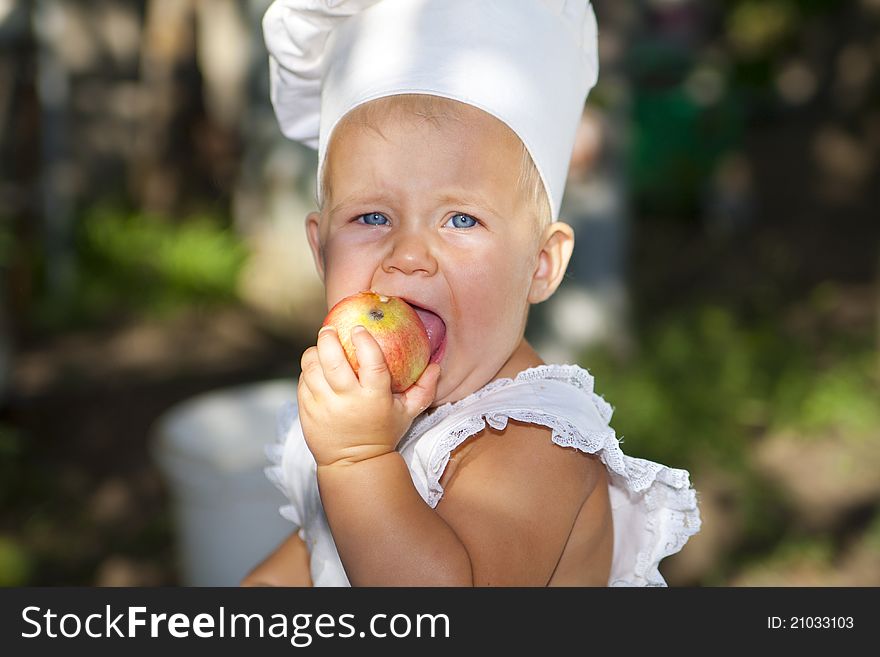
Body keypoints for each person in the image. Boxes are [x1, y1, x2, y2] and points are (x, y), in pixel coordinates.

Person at [242, 0, 701, 587]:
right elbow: (314, 561)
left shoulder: (536, 442)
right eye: (372, 217)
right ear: (321, 247)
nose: (408, 254)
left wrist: (356, 462)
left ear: (540, 264)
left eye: (461, 220)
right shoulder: (365, 423)